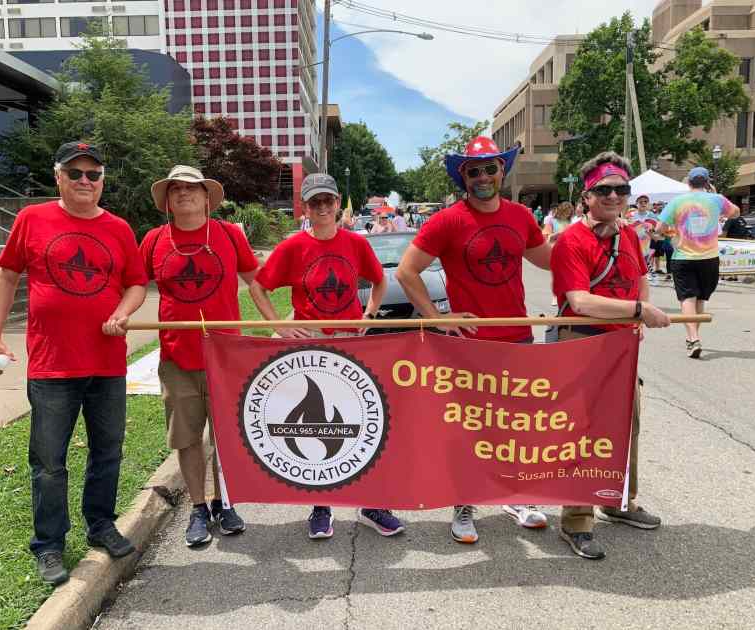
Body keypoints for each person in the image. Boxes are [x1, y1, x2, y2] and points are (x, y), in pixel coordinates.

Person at [0, 142, 148, 585]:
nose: (84, 182)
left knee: (107, 452)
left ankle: (101, 525)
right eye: (74, 173)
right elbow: (6, 277)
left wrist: (123, 312)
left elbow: (136, 283)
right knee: (49, 462)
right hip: (53, 367)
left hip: (107, 364)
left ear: (102, 181)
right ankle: (49, 545)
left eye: (93, 174)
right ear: (58, 176)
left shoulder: (118, 228)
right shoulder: (32, 219)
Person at [396, 136, 553, 543]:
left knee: (516, 425)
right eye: (474, 171)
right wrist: (436, 318)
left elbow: (551, 261)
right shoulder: (449, 219)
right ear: (463, 176)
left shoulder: (520, 216)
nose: (483, 177)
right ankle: (463, 503)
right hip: (468, 344)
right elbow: (406, 272)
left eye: (490, 168)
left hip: (518, 338)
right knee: (469, 427)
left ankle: (515, 495)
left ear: (503, 170)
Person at [248, 173, 404, 540]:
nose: (322, 208)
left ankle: (372, 503)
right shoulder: (292, 248)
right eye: (314, 202)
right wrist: (281, 327)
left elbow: (379, 280)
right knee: (319, 425)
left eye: (328, 201)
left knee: (364, 422)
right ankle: (321, 505)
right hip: (311, 345)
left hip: (351, 341)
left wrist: (368, 316)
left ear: (337, 203)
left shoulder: (355, 243)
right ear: (305, 207)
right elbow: (258, 286)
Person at [550, 151, 671, 560]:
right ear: (587, 196)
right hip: (582, 340)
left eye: (622, 189)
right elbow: (579, 301)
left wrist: (639, 313)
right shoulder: (571, 240)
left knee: (627, 423)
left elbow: (639, 278)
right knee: (583, 432)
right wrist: (638, 312)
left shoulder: (631, 235)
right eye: (605, 190)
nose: (615, 196)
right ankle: (577, 519)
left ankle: (618, 500)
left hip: (622, 345)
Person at [140, 165, 259, 547]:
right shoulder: (155, 240)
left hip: (225, 356)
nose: (184, 193)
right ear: (167, 201)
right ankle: (198, 508)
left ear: (207, 198)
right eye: (175, 189)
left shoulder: (228, 235)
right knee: (187, 438)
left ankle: (225, 502)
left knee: (224, 437)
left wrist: (280, 322)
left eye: (191, 188)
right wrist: (116, 315)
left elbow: (256, 280)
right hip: (177, 358)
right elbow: (131, 284)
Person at [657, 167, 739, 358]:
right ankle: (693, 337)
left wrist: (671, 230)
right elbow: (735, 213)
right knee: (701, 298)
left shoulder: (677, 202)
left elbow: (660, 227)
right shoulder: (716, 199)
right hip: (709, 258)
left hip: (683, 257)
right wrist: (715, 196)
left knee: (688, 298)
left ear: (688, 183)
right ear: (707, 182)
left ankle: (693, 338)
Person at [626, 195, 660, 285]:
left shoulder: (652, 215)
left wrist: (652, 233)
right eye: (641, 202)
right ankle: (635, 277)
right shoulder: (630, 215)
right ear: (636, 203)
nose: (643, 203)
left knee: (647, 259)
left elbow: (656, 230)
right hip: (633, 242)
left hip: (647, 242)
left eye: (645, 201)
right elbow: (626, 229)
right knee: (635, 260)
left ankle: (647, 276)